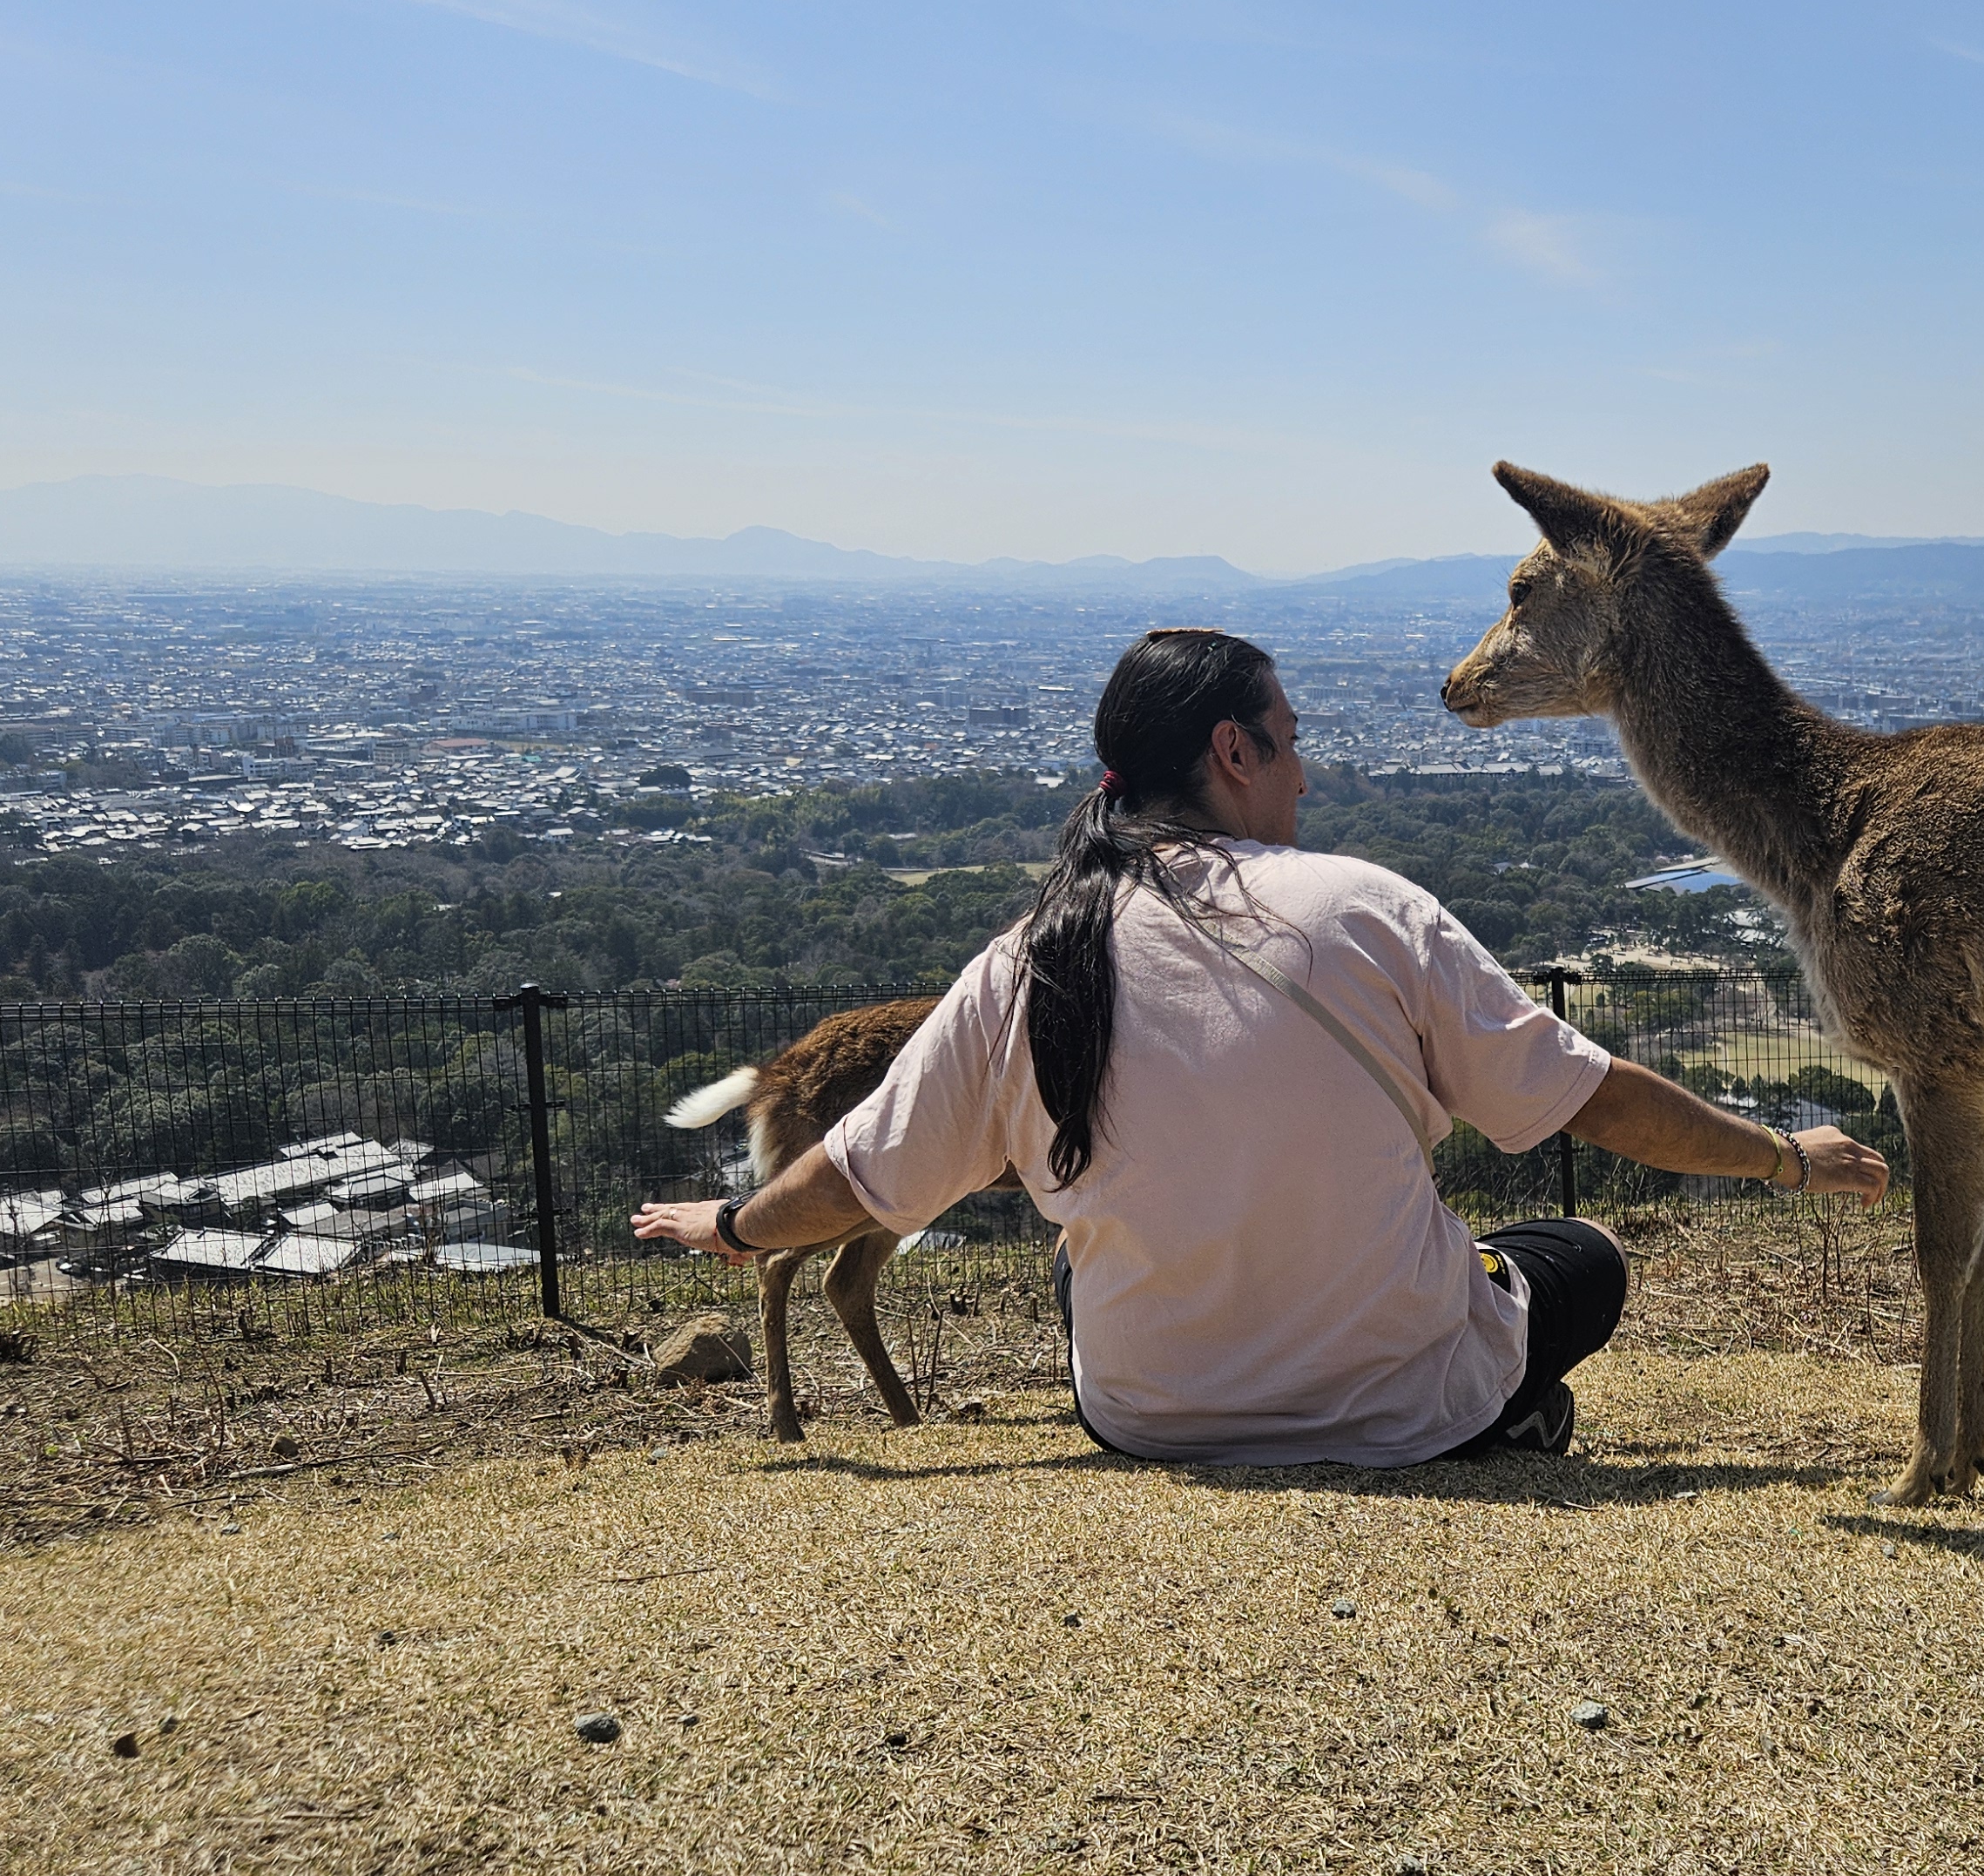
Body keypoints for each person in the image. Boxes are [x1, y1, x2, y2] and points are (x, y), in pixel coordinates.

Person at [633, 628, 1888, 1465]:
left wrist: (731, 1227)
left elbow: (859, 1176)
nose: (1306, 772)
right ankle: (1503, 1413)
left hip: (1144, 1411)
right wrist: (1783, 1156)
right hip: (1404, 1402)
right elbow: (1594, 1099)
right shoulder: (1366, 904)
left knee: (1083, 1263)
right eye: (1289, 739)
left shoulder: (1027, 959)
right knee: (1584, 1257)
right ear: (1231, 752)